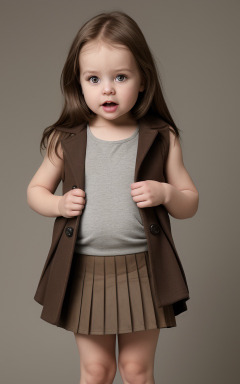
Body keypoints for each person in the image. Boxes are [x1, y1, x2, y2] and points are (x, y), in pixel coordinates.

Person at [27, 10, 199, 384]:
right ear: (79, 84)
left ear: (142, 81)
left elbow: (190, 202)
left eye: (120, 77)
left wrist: (166, 192)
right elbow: (35, 191)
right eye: (94, 79)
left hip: (144, 269)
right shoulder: (66, 138)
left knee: (137, 371)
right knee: (96, 371)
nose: (107, 89)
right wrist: (57, 204)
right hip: (85, 271)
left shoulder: (161, 135)